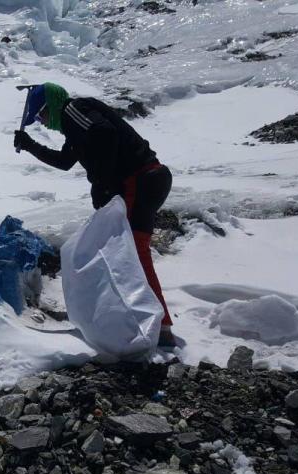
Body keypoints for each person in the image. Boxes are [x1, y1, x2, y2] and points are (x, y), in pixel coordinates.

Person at [13, 82, 177, 349]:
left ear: (50, 105)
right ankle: (144, 319)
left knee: (135, 253)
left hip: (140, 179)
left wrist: (104, 183)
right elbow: (65, 162)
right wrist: (30, 145)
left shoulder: (73, 109)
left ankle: (161, 326)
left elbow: (105, 133)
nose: (41, 122)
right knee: (127, 252)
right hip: (146, 179)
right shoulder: (74, 128)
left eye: (40, 115)